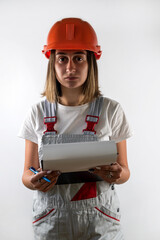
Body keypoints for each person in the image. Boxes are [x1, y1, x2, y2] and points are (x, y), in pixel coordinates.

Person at [18, 18, 133, 240]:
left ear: (91, 62)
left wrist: (118, 175)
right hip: (52, 219)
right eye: (62, 58)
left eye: (79, 58)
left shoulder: (111, 110)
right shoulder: (37, 113)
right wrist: (34, 181)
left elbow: (125, 171)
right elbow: (26, 173)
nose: (70, 67)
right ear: (52, 63)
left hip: (101, 219)